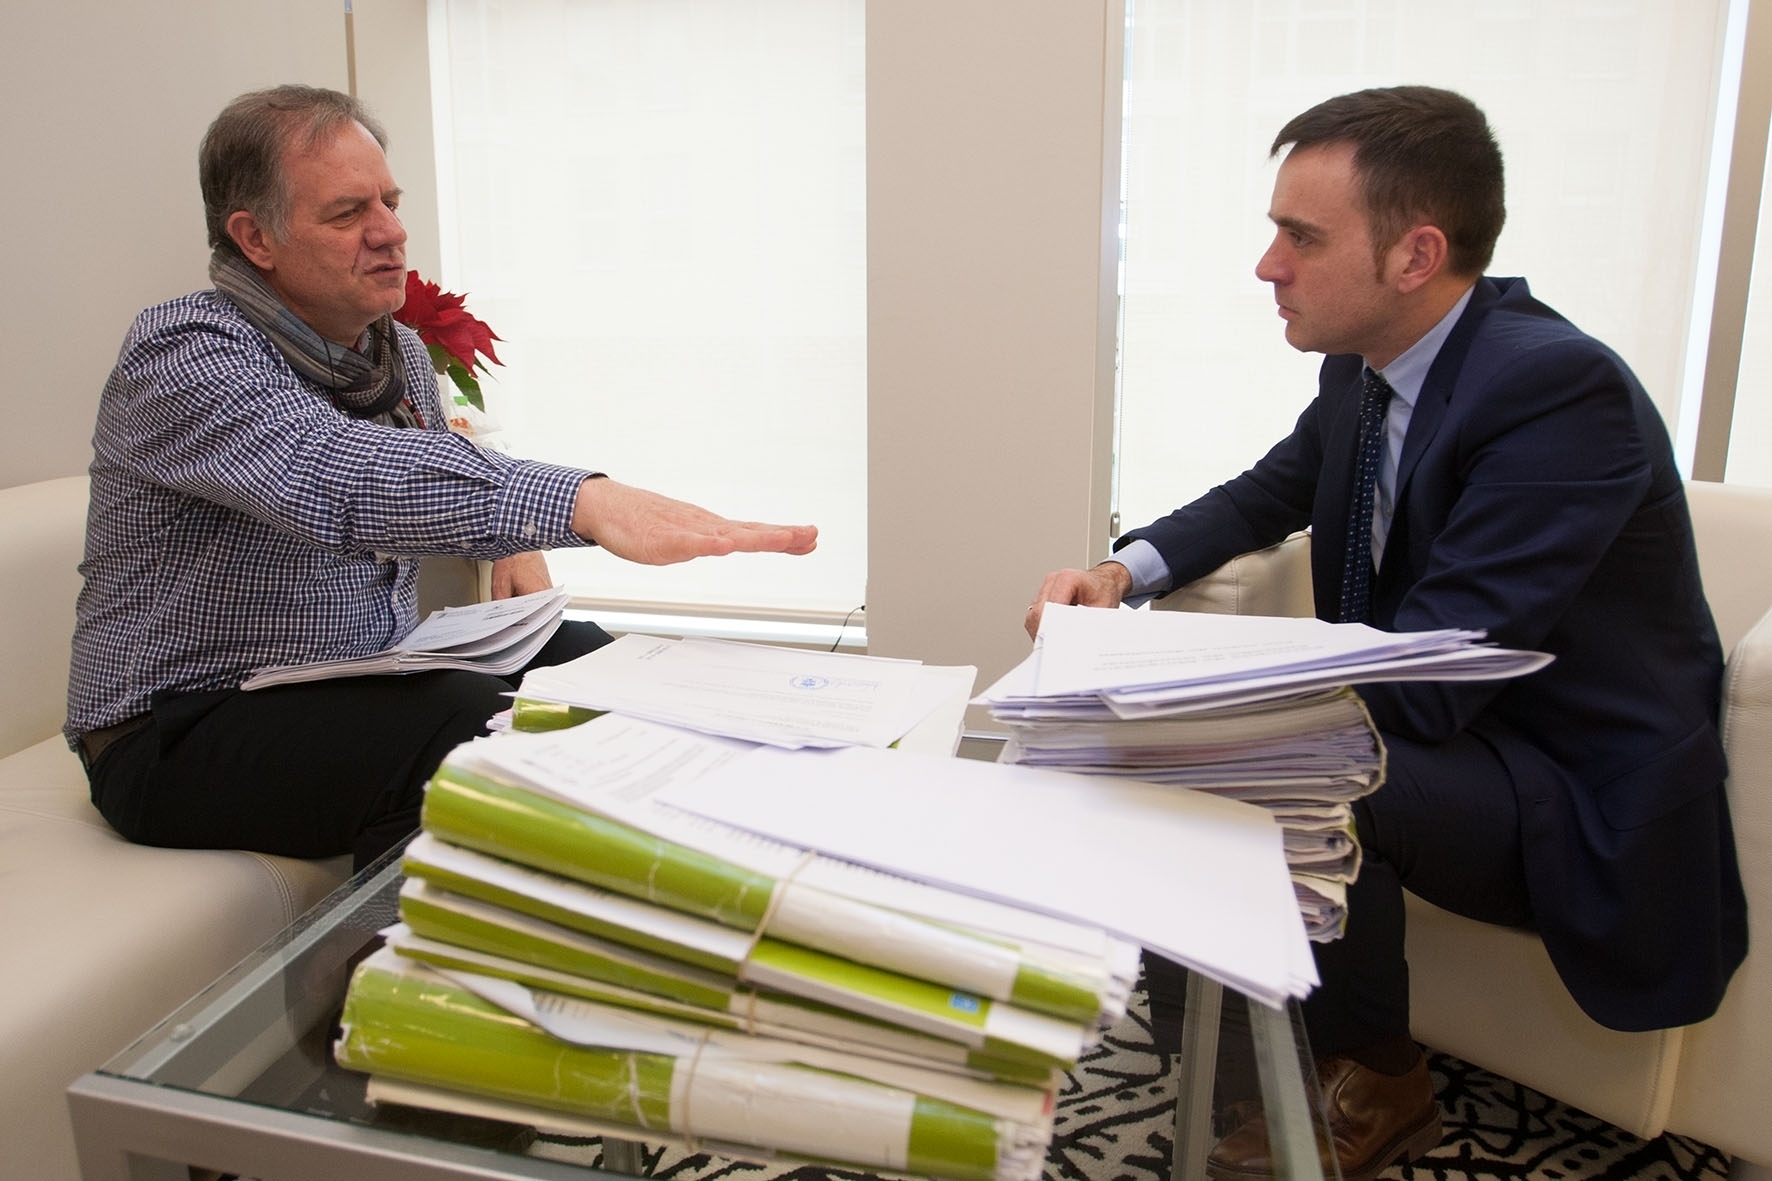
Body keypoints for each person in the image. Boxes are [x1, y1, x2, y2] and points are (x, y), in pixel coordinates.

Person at [1027, 86, 1746, 1181]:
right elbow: (1267, 491)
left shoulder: (1559, 389)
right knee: (1183, 746)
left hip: (1568, 779)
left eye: (1301, 237)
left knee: (1289, 766)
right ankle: (1236, 1056)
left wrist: (1193, 689)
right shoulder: (1368, 367)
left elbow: (1434, 669)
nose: (1267, 265)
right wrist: (1119, 575)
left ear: (1416, 255)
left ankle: (1378, 1077)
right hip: (1466, 737)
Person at [66, 84, 817, 874]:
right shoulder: (184, 353)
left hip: (349, 673)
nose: (392, 232)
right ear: (256, 237)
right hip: (175, 727)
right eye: (348, 213)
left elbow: (431, 463)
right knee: (465, 723)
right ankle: (405, 951)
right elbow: (336, 474)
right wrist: (580, 500)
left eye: (389, 203)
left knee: (588, 661)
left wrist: (512, 539)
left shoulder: (391, 351)